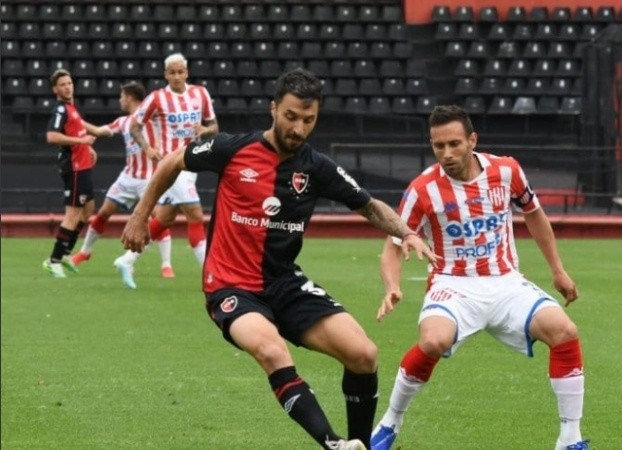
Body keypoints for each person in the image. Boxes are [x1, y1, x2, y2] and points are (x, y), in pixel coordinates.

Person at [121, 68, 437, 449]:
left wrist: (406, 232)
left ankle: (360, 446)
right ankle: (334, 444)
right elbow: (173, 162)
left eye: (309, 120)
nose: (299, 129)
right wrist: (140, 216)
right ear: (273, 109)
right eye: (291, 116)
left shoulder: (316, 167)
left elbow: (368, 205)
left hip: (284, 283)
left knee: (364, 354)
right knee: (272, 351)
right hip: (230, 286)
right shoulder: (232, 149)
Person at [370, 105, 587, 450]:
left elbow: (534, 214)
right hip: (452, 285)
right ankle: (390, 421)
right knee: (433, 341)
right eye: (438, 146)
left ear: (472, 140)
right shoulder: (422, 190)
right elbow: (392, 247)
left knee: (564, 331)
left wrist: (557, 270)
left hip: (505, 282)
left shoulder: (507, 170)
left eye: (454, 143)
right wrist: (392, 286)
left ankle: (570, 439)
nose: (446, 153)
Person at [114, 52, 218, 287]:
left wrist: (204, 130)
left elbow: (214, 126)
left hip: (192, 164)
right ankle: (212, 277)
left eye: (180, 72)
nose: (177, 76)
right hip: (172, 165)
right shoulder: (157, 98)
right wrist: (147, 148)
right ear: (166, 75)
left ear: (187, 72)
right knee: (195, 214)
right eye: (172, 73)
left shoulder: (200, 93)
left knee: (165, 217)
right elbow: (135, 126)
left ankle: (127, 260)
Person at [69, 82, 173, 286]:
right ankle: (85, 252)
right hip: (127, 177)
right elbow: (99, 131)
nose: (120, 100)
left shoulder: (153, 117)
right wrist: (74, 119)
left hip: (149, 178)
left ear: (130, 97)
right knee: (103, 212)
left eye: (122, 96)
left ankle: (166, 264)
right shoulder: (123, 121)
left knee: (158, 217)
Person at [42, 68, 98, 278]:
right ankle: (53, 260)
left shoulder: (71, 108)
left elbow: (77, 131)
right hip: (74, 168)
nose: (67, 87)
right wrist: (81, 142)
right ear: (55, 89)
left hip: (83, 166)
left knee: (88, 209)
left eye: (69, 83)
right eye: (62, 84)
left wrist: (87, 147)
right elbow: (51, 136)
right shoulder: (60, 109)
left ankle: (65, 252)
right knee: (73, 214)